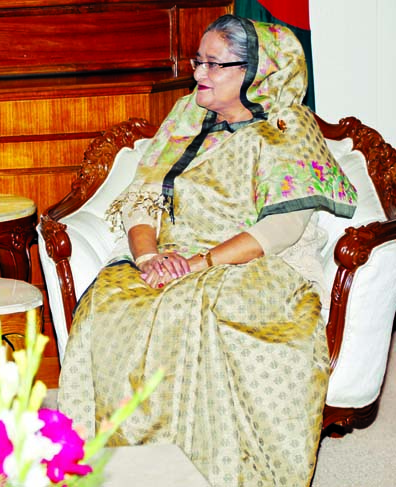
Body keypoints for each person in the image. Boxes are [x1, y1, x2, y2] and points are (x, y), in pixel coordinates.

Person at [58, 15, 358, 486]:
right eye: (199, 61)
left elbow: (281, 227)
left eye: (214, 64)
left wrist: (197, 265)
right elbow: (143, 196)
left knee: (194, 309)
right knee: (108, 305)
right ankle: (122, 470)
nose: (198, 73)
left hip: (253, 262)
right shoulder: (185, 115)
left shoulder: (288, 127)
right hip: (167, 255)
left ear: (257, 71)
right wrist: (148, 257)